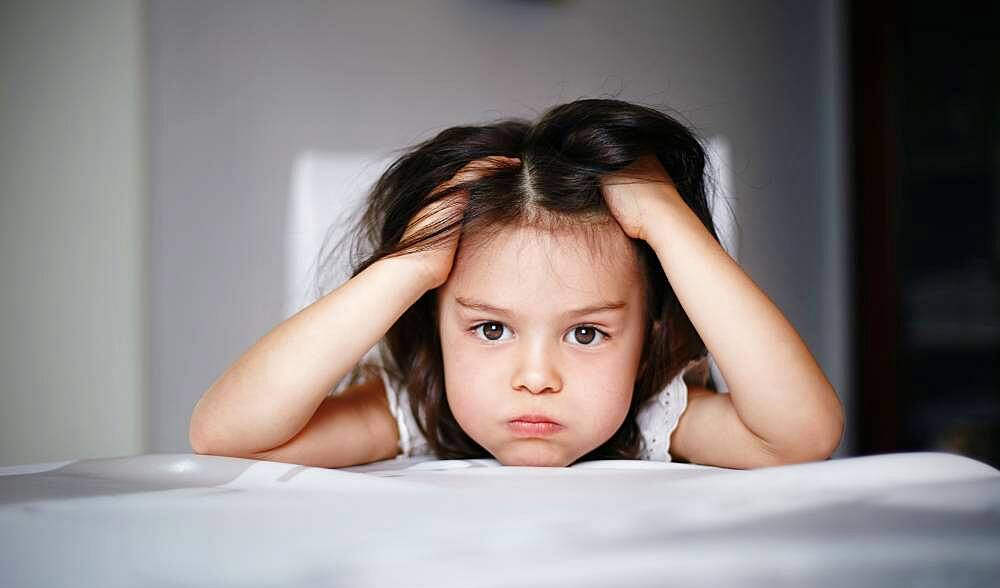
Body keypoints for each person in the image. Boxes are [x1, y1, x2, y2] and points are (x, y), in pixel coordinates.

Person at [189, 98, 844, 469]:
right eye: (491, 328)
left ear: (650, 333)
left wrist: (671, 228)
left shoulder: (651, 418)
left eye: (586, 332)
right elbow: (226, 439)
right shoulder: (418, 410)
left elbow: (802, 437)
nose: (536, 378)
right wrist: (409, 267)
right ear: (435, 324)